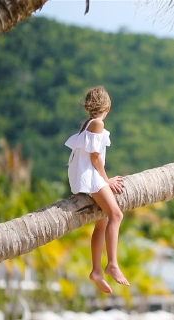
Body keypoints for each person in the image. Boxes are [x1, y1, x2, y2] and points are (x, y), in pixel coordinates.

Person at [65, 86, 129, 294]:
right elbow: (94, 157)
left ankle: (97, 271)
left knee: (101, 223)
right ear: (108, 107)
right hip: (92, 178)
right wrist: (107, 180)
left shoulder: (88, 124)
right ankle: (112, 264)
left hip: (84, 178)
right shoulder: (98, 124)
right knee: (116, 215)